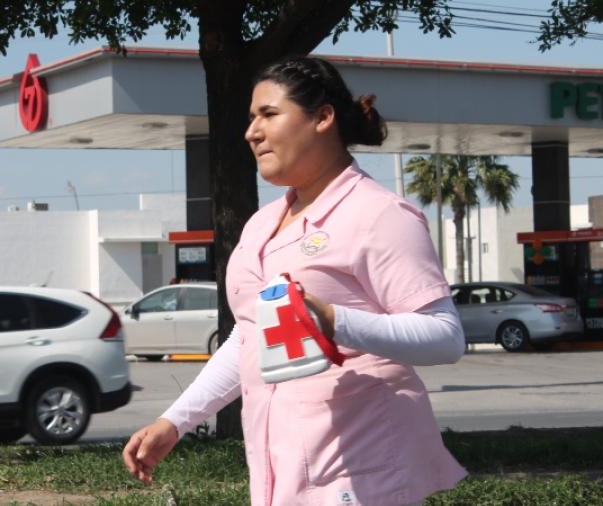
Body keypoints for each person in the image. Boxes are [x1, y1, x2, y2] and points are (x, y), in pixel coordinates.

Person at [123, 56, 467, 505]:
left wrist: (333, 320)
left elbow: (445, 336)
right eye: (251, 118)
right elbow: (251, 338)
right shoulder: (261, 225)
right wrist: (175, 422)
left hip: (360, 473)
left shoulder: (379, 215)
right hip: (280, 471)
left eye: (269, 114)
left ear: (323, 117)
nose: (252, 132)